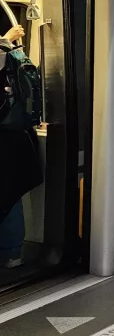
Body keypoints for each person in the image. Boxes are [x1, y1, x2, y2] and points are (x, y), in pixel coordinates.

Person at [0, 24, 42, 270]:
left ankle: (11, 252)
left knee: (7, 195)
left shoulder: (5, 53)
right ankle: (12, 253)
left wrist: (5, 40)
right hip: (15, 135)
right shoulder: (14, 58)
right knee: (10, 195)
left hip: (6, 139)